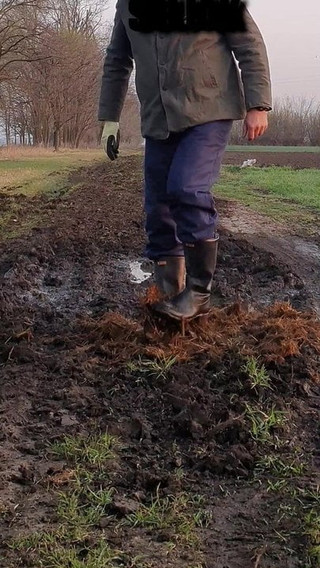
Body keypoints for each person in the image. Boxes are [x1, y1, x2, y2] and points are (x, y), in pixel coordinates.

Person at [98, 0, 272, 325]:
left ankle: (199, 292)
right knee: (158, 205)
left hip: (209, 109)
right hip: (159, 117)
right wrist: (110, 118)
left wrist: (258, 104)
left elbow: (248, 43)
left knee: (187, 187)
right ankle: (169, 289)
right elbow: (117, 60)